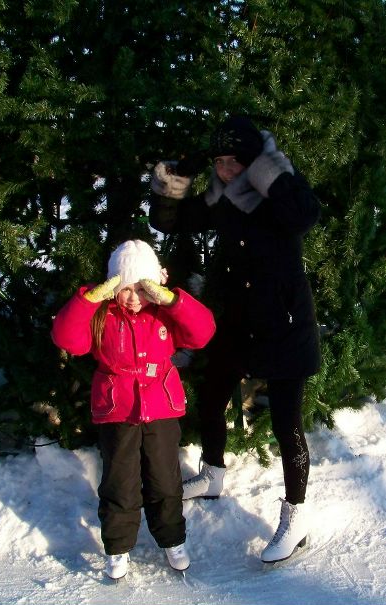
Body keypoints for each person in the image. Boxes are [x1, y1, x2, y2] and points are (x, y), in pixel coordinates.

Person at [148, 115, 322, 563]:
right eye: (219, 162)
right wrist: (173, 184)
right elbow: (172, 222)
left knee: (287, 423)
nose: (225, 170)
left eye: (234, 162)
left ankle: (297, 515)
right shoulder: (223, 197)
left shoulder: (277, 191)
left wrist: (268, 173)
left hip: (283, 321)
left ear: (253, 163)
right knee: (211, 392)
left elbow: (305, 215)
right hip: (237, 318)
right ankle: (213, 472)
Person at [51, 240, 215, 580]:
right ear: (114, 287)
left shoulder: (163, 313)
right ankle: (118, 545)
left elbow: (202, 333)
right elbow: (68, 339)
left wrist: (171, 299)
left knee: (165, 480)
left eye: (142, 289)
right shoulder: (102, 315)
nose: (133, 296)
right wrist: (90, 299)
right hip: (118, 410)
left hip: (161, 409)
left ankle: (172, 539)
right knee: (119, 482)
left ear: (154, 287)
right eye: (126, 288)